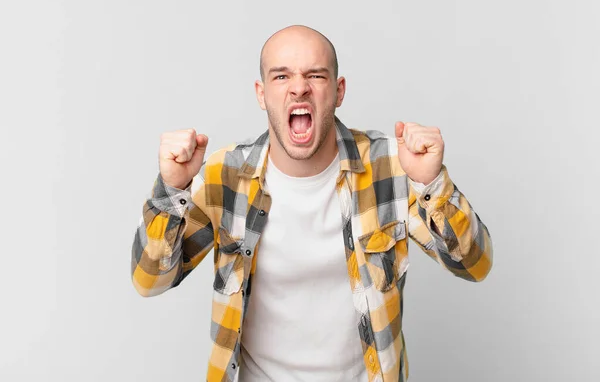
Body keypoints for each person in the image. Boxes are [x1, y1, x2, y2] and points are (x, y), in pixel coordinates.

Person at [131, 25, 493, 382]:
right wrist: (172, 188)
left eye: (315, 75)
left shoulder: (390, 167)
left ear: (338, 91)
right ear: (261, 94)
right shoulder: (224, 175)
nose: (299, 87)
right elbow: (150, 280)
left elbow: (475, 264)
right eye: (281, 76)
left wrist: (431, 183)